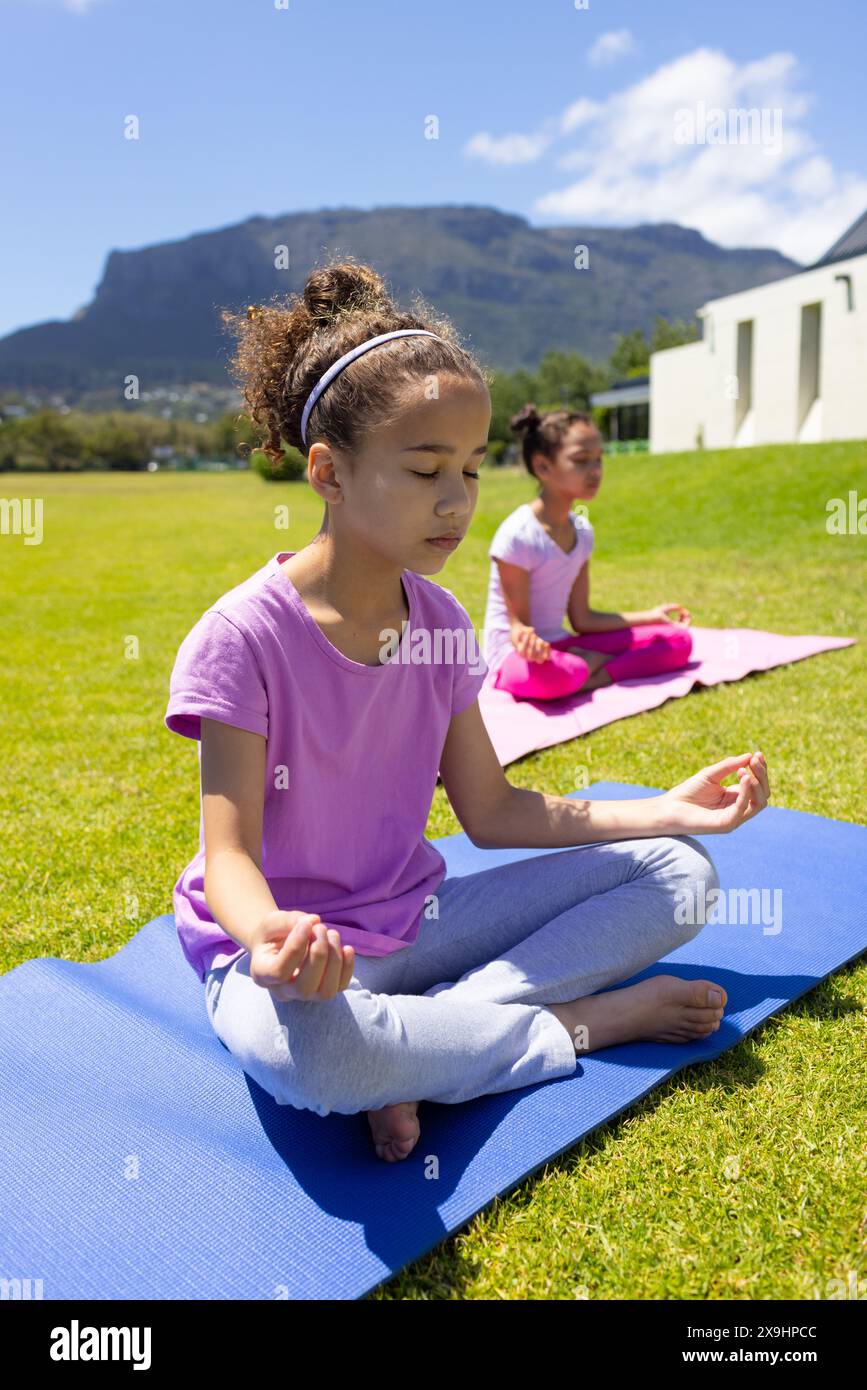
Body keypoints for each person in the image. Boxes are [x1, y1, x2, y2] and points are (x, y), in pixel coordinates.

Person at [164, 258, 770, 1164]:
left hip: (422, 921)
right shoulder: (240, 637)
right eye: (423, 469)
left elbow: (492, 812)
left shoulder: (441, 622)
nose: (455, 501)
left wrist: (669, 809)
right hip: (297, 961)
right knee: (323, 1059)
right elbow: (231, 861)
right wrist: (273, 936)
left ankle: (419, 1048)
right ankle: (573, 1025)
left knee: (680, 874)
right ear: (328, 473)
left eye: (472, 470)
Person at [482, 406, 694, 700]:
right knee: (555, 674)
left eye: (598, 460)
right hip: (514, 654)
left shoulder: (582, 532)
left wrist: (651, 617)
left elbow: (582, 618)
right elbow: (518, 627)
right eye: (581, 461)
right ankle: (592, 669)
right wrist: (529, 643)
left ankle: (589, 672)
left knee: (677, 641)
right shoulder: (519, 534)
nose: (595, 471)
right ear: (543, 466)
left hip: (563, 646)